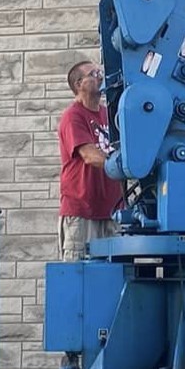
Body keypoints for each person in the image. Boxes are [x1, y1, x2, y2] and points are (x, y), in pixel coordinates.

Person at [57, 59, 120, 263]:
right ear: (79, 84)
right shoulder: (72, 116)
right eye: (93, 74)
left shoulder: (110, 115)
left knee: (114, 272)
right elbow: (89, 155)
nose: (100, 77)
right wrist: (123, 167)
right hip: (82, 211)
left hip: (113, 211)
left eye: (100, 72)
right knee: (79, 271)